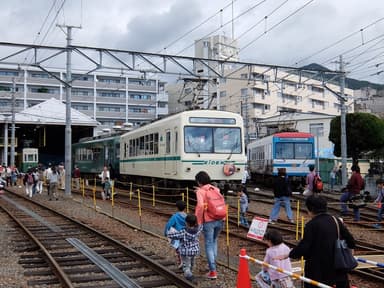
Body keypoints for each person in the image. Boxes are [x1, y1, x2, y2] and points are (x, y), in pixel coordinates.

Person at [287, 195, 356, 288]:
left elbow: (304, 247)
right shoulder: (335, 220)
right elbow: (351, 241)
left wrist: (290, 254)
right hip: (338, 268)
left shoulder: (311, 225)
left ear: (310, 209)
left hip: (317, 271)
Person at [194, 171, 224, 279]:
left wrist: (197, 221)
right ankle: (213, 265)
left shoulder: (200, 192)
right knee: (214, 241)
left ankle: (213, 271)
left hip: (208, 221)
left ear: (199, 182)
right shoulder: (215, 189)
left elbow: (201, 206)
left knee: (208, 244)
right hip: (220, 219)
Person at [167, 214, 203, 283]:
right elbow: (201, 226)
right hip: (194, 250)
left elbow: (174, 235)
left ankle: (189, 276)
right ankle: (190, 270)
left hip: (186, 252)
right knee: (191, 262)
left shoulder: (184, 232)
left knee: (186, 266)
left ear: (187, 223)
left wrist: (168, 233)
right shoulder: (198, 229)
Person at [164, 200, 187, 268]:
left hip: (177, 234)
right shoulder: (186, 216)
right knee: (185, 247)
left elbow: (169, 225)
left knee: (178, 248)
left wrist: (166, 232)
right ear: (185, 208)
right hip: (185, 234)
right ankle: (185, 262)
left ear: (177, 208)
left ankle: (182, 262)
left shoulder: (175, 216)